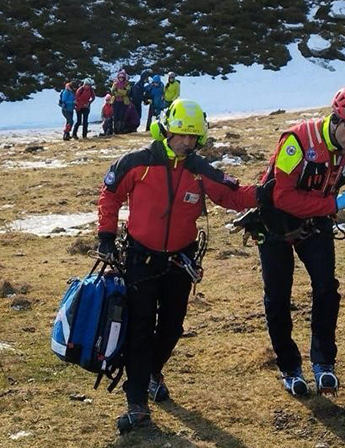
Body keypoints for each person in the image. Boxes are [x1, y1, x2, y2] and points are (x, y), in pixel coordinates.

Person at [97, 99, 257, 433]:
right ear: (168, 129)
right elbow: (110, 194)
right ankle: (137, 401)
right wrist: (106, 237)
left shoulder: (200, 170)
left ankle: (153, 373)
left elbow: (233, 196)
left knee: (172, 327)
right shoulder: (137, 162)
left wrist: (270, 190)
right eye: (181, 134)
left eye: (192, 137)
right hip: (139, 259)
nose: (185, 142)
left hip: (179, 262)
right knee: (140, 328)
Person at [254, 86, 345, 397]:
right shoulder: (297, 141)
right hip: (274, 225)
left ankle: (324, 362)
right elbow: (282, 196)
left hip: (315, 224)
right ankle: (289, 366)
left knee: (326, 289)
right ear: (336, 119)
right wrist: (333, 205)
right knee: (278, 296)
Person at [110, 70, 131, 134]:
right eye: (120, 77)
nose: (121, 78)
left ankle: (121, 129)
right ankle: (115, 130)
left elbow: (127, 92)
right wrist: (122, 92)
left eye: (122, 77)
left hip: (123, 102)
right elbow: (112, 92)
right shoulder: (115, 84)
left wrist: (118, 91)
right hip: (116, 102)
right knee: (116, 116)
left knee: (122, 116)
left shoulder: (127, 84)